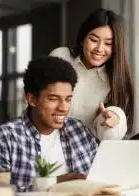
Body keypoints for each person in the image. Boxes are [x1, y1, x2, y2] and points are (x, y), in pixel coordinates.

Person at [0, 56, 98, 191]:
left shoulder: (79, 131)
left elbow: (100, 178)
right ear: (32, 99)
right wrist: (54, 183)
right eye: (54, 99)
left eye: (68, 99)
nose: (64, 108)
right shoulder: (5, 136)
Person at [49, 8, 134, 140]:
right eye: (93, 40)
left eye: (108, 43)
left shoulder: (114, 80)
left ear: (116, 47)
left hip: (82, 151)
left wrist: (112, 123)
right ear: (83, 39)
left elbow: (107, 135)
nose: (99, 49)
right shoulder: (61, 57)